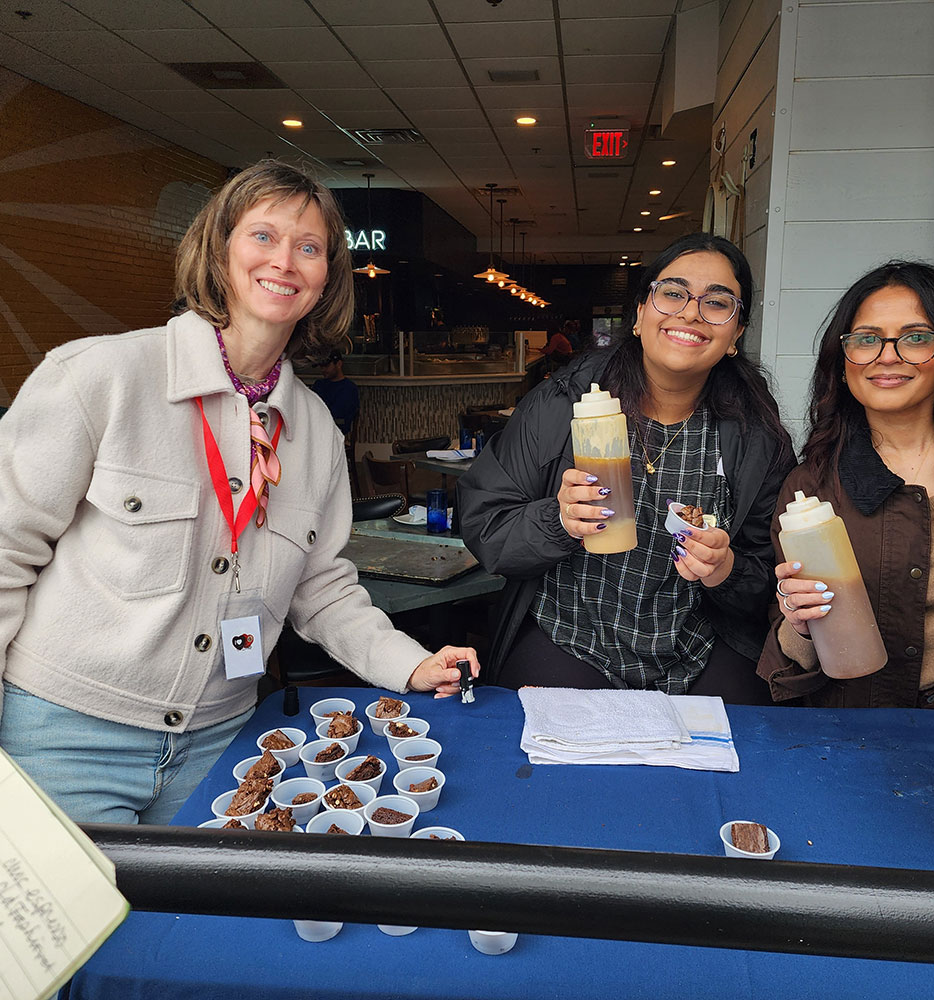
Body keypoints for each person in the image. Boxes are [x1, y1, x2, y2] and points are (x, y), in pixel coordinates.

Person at [0, 161, 479, 824]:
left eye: (309, 248)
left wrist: (411, 665)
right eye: (263, 236)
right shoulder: (98, 376)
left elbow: (323, 589)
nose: (285, 261)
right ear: (218, 248)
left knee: (194, 929)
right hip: (66, 734)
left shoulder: (313, 427)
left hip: (222, 746)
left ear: (325, 279)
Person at [459, 233, 795, 700]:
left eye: (717, 303)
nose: (691, 313)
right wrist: (558, 521)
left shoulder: (755, 435)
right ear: (640, 313)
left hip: (700, 643)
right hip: (570, 636)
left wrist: (727, 569)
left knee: (732, 756)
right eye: (673, 293)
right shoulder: (562, 404)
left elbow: (775, 580)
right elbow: (486, 527)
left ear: (736, 334)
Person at [758, 262, 934, 712]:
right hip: (861, 729)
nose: (887, 356)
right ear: (843, 358)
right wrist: (800, 623)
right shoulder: (811, 487)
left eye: (915, 337)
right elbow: (791, 662)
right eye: (867, 339)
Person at [311, 349, 360, 436]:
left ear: (339, 364)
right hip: (316, 431)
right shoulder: (319, 384)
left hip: (336, 432)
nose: (323, 370)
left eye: (326, 366)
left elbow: (342, 418)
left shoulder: (349, 388)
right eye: (321, 366)